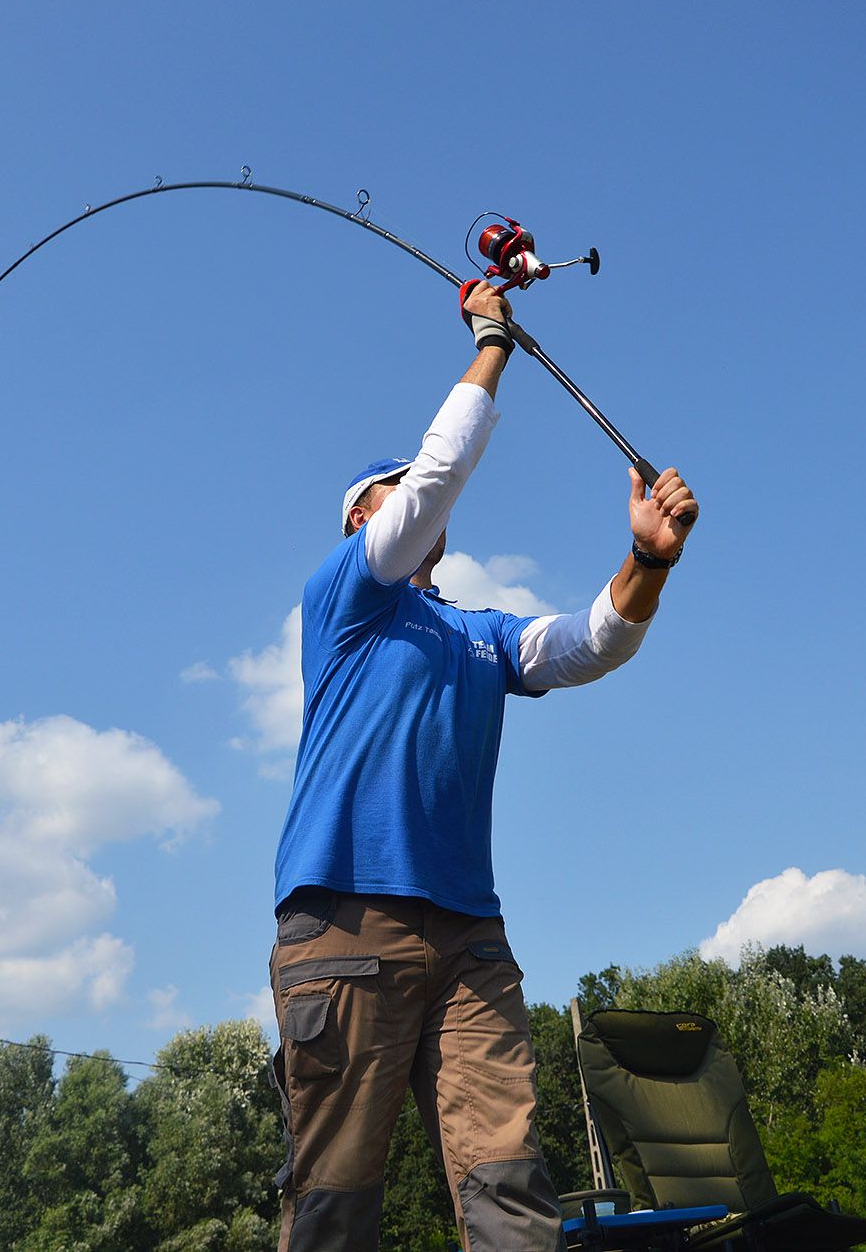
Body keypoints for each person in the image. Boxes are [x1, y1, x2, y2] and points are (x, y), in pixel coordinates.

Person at [268, 281, 699, 1251]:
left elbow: (586, 644)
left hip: (470, 936)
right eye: (395, 492)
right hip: (345, 922)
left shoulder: (477, 634)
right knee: (334, 1199)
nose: (416, 495)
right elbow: (435, 479)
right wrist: (492, 342)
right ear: (359, 524)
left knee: (508, 1182)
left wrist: (647, 560)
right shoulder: (343, 599)